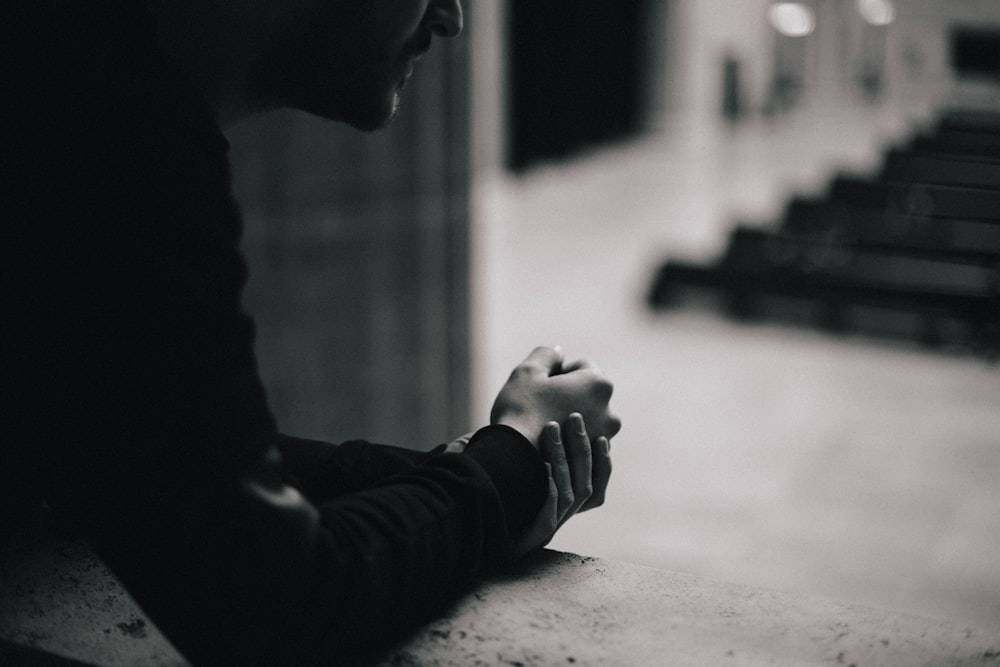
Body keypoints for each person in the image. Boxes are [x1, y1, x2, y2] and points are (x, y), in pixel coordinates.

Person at [2, 0, 621, 664]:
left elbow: (149, 457)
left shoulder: (68, 67)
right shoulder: (108, 139)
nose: (452, 18)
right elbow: (276, 604)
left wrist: (479, 464)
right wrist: (505, 464)